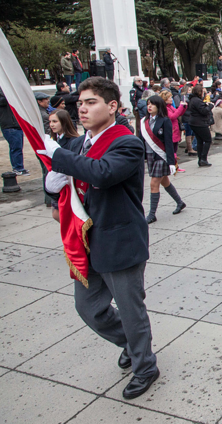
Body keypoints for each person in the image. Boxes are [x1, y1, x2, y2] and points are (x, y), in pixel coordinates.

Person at [39, 76, 159, 400]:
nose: (82, 108)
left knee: (131, 311)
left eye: (90, 102)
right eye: (79, 103)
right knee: (89, 307)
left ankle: (145, 366)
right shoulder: (78, 144)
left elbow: (103, 173)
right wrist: (52, 181)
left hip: (120, 241)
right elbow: (60, 185)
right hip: (87, 242)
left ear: (112, 106)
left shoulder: (127, 142)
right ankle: (130, 344)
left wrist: (60, 157)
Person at [141, 95, 186, 223]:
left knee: (154, 183)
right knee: (164, 181)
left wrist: (172, 162)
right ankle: (180, 202)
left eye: (152, 104)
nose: (149, 106)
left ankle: (152, 214)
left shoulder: (164, 121)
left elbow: (168, 142)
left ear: (158, 106)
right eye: (148, 104)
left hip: (161, 156)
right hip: (150, 156)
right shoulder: (144, 121)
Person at [48, 109, 80, 222]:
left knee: (61, 215)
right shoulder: (54, 139)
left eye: (55, 121)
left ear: (64, 122)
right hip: (57, 182)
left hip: (68, 182)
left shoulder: (73, 141)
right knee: (57, 214)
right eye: (50, 121)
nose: (51, 124)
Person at [0, 88, 29, 176]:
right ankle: (18, 168)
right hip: (10, 126)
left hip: (15, 125)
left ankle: (17, 167)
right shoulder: (4, 99)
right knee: (16, 148)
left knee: (16, 148)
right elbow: (5, 99)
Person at [159, 90, 187, 170]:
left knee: (174, 149)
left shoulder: (170, 106)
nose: (171, 99)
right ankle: (175, 166)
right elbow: (173, 116)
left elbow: (179, 113)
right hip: (171, 131)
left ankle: (174, 166)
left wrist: (184, 107)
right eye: (169, 98)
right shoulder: (166, 108)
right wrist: (181, 106)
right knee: (172, 150)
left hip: (174, 130)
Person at [188, 84, 215, 167]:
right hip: (200, 123)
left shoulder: (193, 100)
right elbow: (203, 111)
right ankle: (203, 158)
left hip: (194, 122)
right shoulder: (197, 100)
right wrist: (210, 106)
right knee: (207, 140)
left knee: (200, 140)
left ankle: (201, 159)